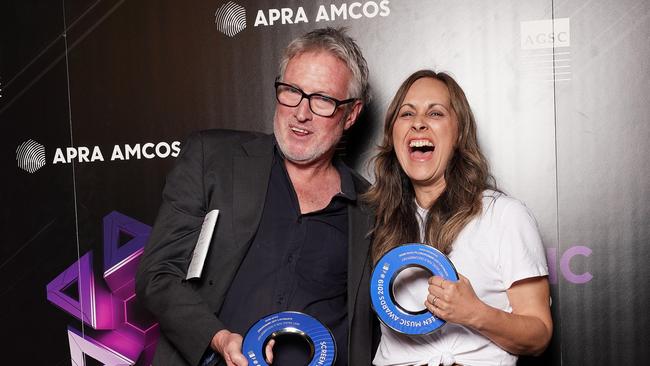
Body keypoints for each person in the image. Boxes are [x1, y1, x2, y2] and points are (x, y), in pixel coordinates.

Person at [136, 27, 377, 366]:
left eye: (322, 99)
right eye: (292, 91)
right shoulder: (213, 159)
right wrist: (218, 339)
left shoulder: (371, 208)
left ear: (350, 114)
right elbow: (157, 276)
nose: (301, 113)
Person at [364, 70, 553, 366]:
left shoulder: (503, 215)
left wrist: (475, 312)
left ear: (458, 134)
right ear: (393, 135)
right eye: (406, 114)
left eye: (435, 113)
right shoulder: (374, 219)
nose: (418, 123)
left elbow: (539, 335)